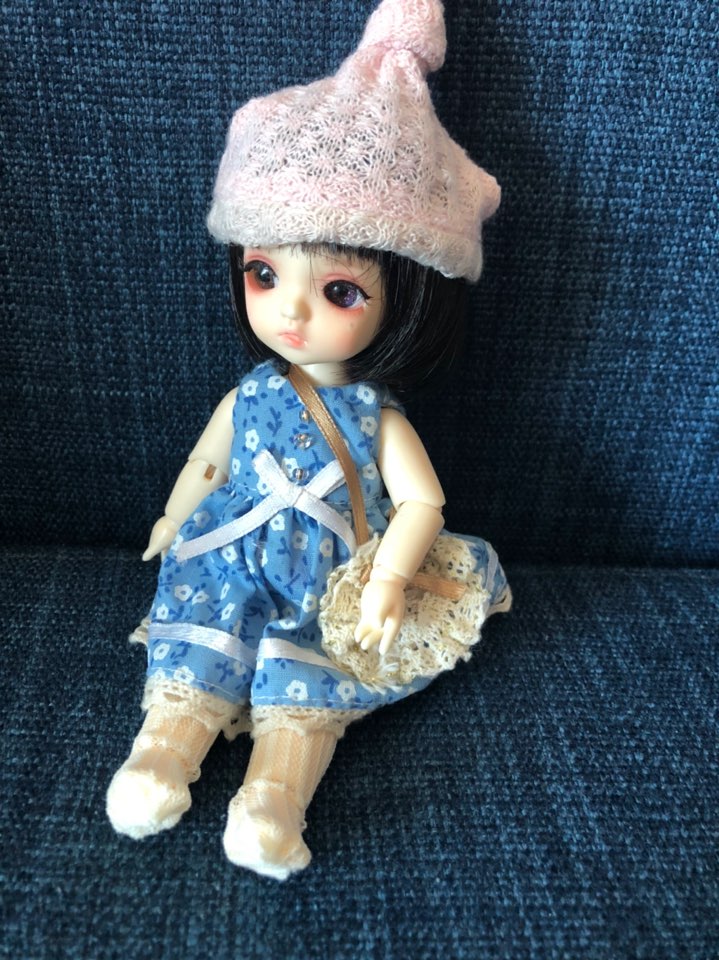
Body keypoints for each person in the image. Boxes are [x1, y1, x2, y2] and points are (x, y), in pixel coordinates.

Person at [106, 0, 509, 880]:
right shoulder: (253, 390)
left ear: (409, 299)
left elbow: (423, 502)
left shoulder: (374, 415)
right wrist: (174, 517)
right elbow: (208, 460)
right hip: (226, 551)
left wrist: (389, 579)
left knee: (307, 674)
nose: (290, 310)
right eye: (263, 272)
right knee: (199, 642)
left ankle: (274, 800)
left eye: (339, 291)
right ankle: (160, 756)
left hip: (325, 568)